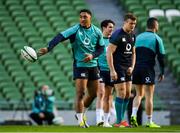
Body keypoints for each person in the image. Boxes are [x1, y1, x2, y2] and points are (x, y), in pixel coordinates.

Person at [37, 9, 104, 128]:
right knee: (81, 93)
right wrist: (48, 48)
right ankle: (80, 120)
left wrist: (92, 56)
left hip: (93, 65)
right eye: (80, 17)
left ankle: (82, 113)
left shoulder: (97, 31)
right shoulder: (75, 29)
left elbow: (101, 49)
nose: (82, 19)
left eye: (85, 17)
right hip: (80, 65)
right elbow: (60, 37)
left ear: (90, 18)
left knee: (93, 94)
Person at [130, 17, 165, 128]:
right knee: (149, 96)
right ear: (155, 26)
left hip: (136, 69)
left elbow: (132, 54)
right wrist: (162, 72)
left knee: (138, 94)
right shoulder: (156, 38)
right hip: (147, 69)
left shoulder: (138, 37)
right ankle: (149, 122)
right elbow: (161, 57)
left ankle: (133, 116)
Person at [106, 13, 137, 127]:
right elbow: (109, 52)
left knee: (128, 94)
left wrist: (132, 67)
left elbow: (133, 53)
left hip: (128, 67)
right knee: (122, 92)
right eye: (131, 23)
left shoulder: (133, 35)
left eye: (134, 23)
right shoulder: (117, 34)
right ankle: (119, 121)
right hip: (118, 67)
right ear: (125, 22)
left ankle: (121, 120)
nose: (132, 25)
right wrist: (112, 70)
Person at [96, 19, 115, 127]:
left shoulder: (114, 41)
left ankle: (106, 121)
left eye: (113, 27)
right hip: (99, 70)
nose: (112, 29)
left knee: (108, 96)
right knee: (101, 93)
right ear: (104, 28)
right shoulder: (98, 40)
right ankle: (99, 119)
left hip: (110, 71)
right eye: (110, 27)